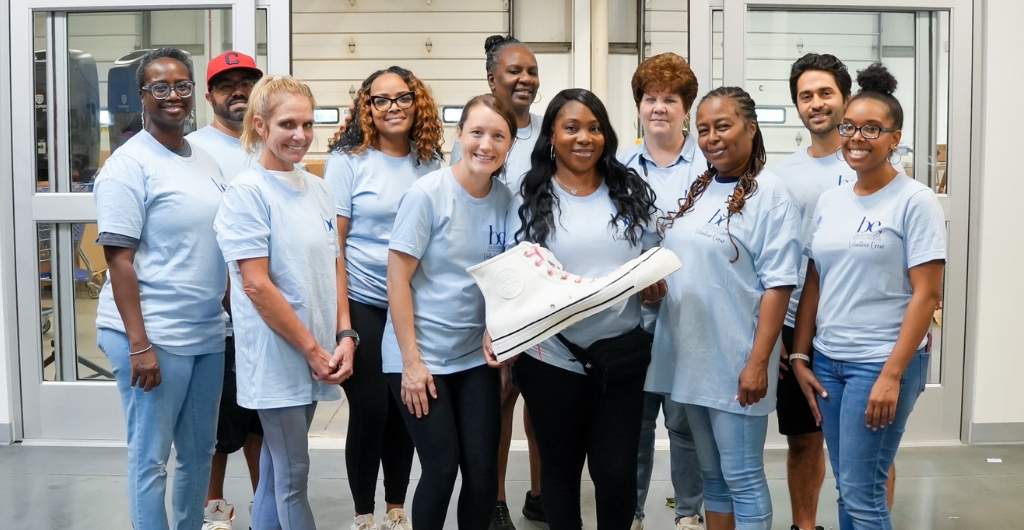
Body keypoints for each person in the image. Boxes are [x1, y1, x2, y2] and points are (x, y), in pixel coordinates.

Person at [791, 63, 945, 530]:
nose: (857, 137)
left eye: (872, 129)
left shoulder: (914, 201)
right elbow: (815, 279)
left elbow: (927, 294)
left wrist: (891, 375)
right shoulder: (833, 199)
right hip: (829, 362)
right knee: (849, 486)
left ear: (895, 138)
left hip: (879, 362)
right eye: (850, 127)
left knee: (863, 494)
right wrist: (800, 353)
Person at [500, 88, 660, 530]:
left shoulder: (627, 190)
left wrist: (653, 287)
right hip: (552, 359)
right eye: (571, 128)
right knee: (560, 470)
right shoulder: (529, 197)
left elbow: (650, 261)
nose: (584, 138)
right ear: (552, 134)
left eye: (594, 128)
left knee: (615, 472)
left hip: (622, 359)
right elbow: (515, 277)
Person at [648, 86, 803, 530]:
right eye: (703, 129)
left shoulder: (771, 194)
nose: (712, 137)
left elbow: (779, 284)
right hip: (691, 356)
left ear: (750, 129)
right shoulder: (701, 190)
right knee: (712, 478)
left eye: (723, 125)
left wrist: (758, 363)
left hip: (736, 360)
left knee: (743, 477)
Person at [94, 47, 228, 530]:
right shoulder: (128, 166)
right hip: (151, 334)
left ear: (194, 91)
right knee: (151, 458)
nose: (173, 96)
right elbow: (119, 259)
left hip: (204, 332)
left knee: (199, 453)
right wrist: (140, 345)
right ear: (142, 95)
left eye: (182, 85)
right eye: (161, 87)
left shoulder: (205, 159)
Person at [214, 74, 348, 530]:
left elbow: (334, 266)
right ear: (261, 125)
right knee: (293, 476)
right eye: (288, 123)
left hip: (318, 351)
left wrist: (344, 335)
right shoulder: (247, 194)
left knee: (275, 471)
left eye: (308, 124)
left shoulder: (318, 189)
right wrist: (312, 349)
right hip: (279, 355)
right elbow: (255, 285)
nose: (300, 135)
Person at [773, 53, 899, 530]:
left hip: (866, 334)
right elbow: (783, 260)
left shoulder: (875, 166)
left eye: (825, 93)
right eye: (806, 95)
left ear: (846, 99)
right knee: (803, 440)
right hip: (798, 330)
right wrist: (785, 342)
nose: (816, 103)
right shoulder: (782, 176)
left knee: (870, 451)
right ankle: (805, 525)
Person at [383, 94, 517, 530]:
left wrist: (499, 334)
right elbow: (397, 279)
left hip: (473, 357)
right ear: (458, 135)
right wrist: (411, 364)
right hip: (420, 356)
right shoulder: (427, 196)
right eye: (476, 132)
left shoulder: (506, 200)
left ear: (510, 145)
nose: (486, 144)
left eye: (498, 136)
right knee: (441, 469)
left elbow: (505, 281)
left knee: (481, 473)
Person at [323, 65, 444, 530]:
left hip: (411, 306)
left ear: (418, 102)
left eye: (402, 97)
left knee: (403, 409)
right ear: (366, 107)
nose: (392, 107)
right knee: (371, 408)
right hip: (363, 300)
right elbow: (333, 245)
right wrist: (343, 324)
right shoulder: (348, 159)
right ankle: (362, 513)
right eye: (381, 100)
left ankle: (396, 508)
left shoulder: (430, 159)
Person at [448, 33, 546, 530]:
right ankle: (497, 499)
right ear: (492, 78)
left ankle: (539, 493)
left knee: (541, 396)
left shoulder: (548, 133)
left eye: (531, 71)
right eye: (514, 71)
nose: (524, 79)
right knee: (502, 394)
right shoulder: (475, 136)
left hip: (543, 283)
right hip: (497, 287)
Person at [618, 52, 706, 530]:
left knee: (684, 425)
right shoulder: (618, 167)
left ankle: (688, 514)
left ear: (685, 107)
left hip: (687, 315)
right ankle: (630, 514)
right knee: (633, 427)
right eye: (650, 98)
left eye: (670, 99)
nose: (659, 108)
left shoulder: (707, 167)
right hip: (632, 319)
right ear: (638, 105)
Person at [187, 50, 265, 530]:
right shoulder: (193, 149)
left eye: (247, 83)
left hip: (267, 303)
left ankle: (266, 504)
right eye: (226, 84)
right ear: (210, 94)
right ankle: (214, 505)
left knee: (261, 414)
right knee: (219, 420)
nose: (237, 91)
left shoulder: (269, 143)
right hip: (216, 308)